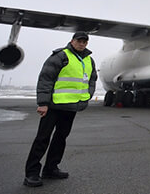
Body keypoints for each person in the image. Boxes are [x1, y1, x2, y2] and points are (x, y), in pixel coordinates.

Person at [23, 31, 97, 187]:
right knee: (42, 139)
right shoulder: (60, 56)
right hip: (53, 106)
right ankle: (31, 173)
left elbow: (92, 80)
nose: (82, 43)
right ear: (72, 41)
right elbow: (46, 78)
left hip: (71, 107)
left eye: (85, 41)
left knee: (60, 139)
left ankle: (50, 169)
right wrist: (43, 103)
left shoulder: (89, 60)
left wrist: (88, 95)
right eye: (79, 40)